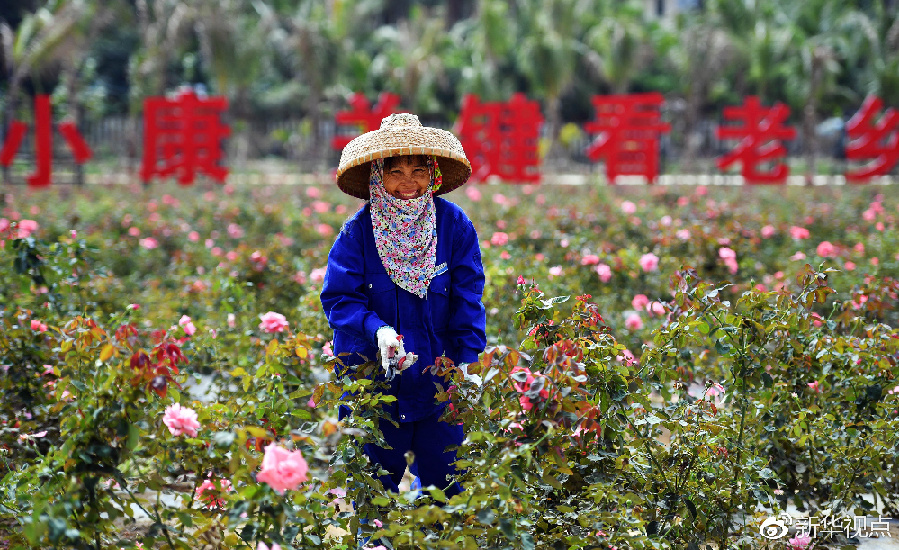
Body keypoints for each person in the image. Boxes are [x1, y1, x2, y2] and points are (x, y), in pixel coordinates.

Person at [320, 113, 487, 500]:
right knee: (373, 490)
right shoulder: (357, 233)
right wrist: (376, 329)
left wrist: (467, 363)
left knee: (445, 490)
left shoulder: (453, 226)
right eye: (395, 171)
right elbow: (340, 298)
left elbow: (468, 297)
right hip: (375, 384)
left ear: (433, 174)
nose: (407, 183)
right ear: (378, 177)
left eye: (417, 170)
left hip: (439, 381)